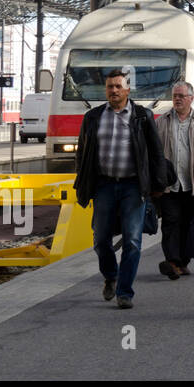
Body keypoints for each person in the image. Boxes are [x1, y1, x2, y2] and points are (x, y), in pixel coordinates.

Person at [73, 69, 168, 309]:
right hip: (104, 184)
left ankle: (125, 292)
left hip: (133, 186)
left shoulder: (142, 116)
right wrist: (82, 181)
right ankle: (111, 276)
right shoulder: (93, 117)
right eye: (109, 87)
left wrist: (157, 185)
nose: (113, 91)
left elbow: (156, 153)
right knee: (100, 239)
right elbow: (82, 153)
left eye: (118, 86)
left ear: (127, 90)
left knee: (132, 240)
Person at [154, 81, 194, 279]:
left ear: (191, 98)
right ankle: (172, 261)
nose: (178, 99)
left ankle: (183, 261)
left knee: (188, 223)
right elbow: (154, 152)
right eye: (175, 96)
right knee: (171, 221)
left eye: (182, 96)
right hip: (169, 184)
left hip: (191, 183)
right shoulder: (162, 121)